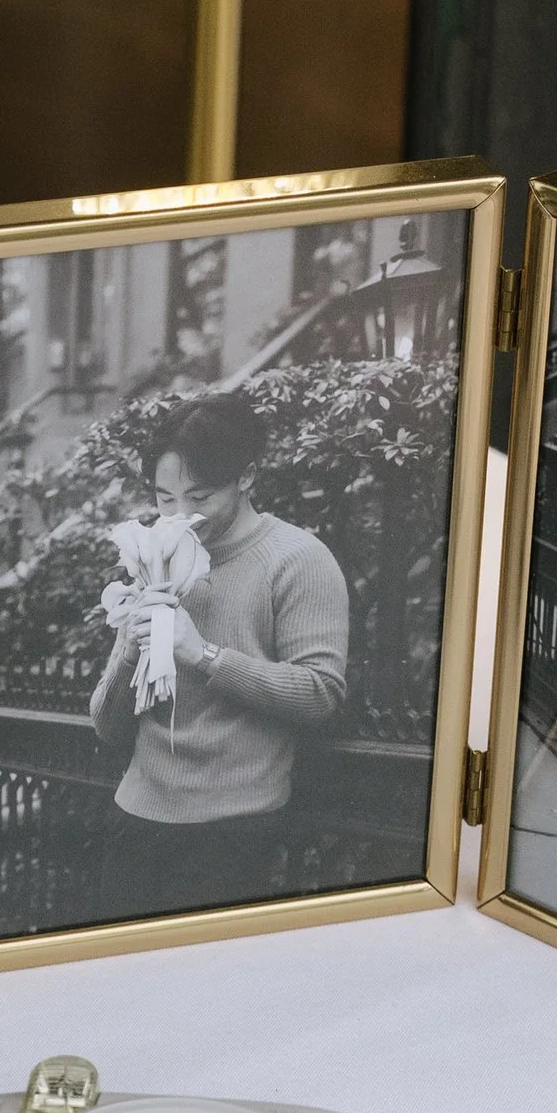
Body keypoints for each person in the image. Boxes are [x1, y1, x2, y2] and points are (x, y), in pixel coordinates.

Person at [89, 391, 349, 918]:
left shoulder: (298, 559)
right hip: (134, 813)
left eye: (200, 496)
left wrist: (202, 654)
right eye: (165, 499)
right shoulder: (156, 557)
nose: (181, 515)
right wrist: (130, 650)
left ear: (247, 476)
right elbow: (106, 725)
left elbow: (321, 693)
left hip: (235, 829)